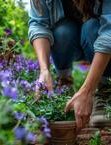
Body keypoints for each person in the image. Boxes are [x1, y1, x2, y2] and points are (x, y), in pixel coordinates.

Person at [28, 0, 111, 129]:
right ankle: (64, 83)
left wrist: (88, 91)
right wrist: (44, 70)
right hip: (69, 41)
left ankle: (104, 90)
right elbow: (38, 25)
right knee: (62, 31)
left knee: (91, 27)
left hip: (96, 38)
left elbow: (109, 32)